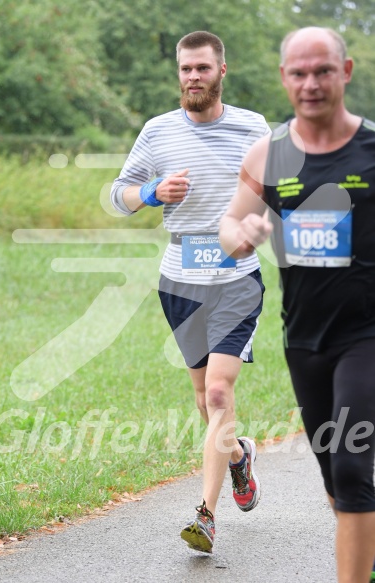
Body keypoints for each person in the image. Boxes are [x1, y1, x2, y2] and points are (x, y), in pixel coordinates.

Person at [219, 26, 375, 583]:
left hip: (367, 335)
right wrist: (244, 233)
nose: (312, 83)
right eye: (300, 73)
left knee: (356, 466)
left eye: (323, 71)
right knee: (337, 477)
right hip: (305, 338)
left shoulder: (371, 149)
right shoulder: (271, 153)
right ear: (285, 78)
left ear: (346, 72)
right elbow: (230, 221)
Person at [110, 31, 270, 553]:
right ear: (178, 73)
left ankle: (205, 516)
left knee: (221, 392)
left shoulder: (253, 127)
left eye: (203, 67)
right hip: (179, 276)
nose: (193, 77)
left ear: (223, 70)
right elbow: (117, 196)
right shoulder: (157, 132)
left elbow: (279, 191)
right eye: (185, 69)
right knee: (204, 399)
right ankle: (239, 456)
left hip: (235, 278)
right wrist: (151, 193)